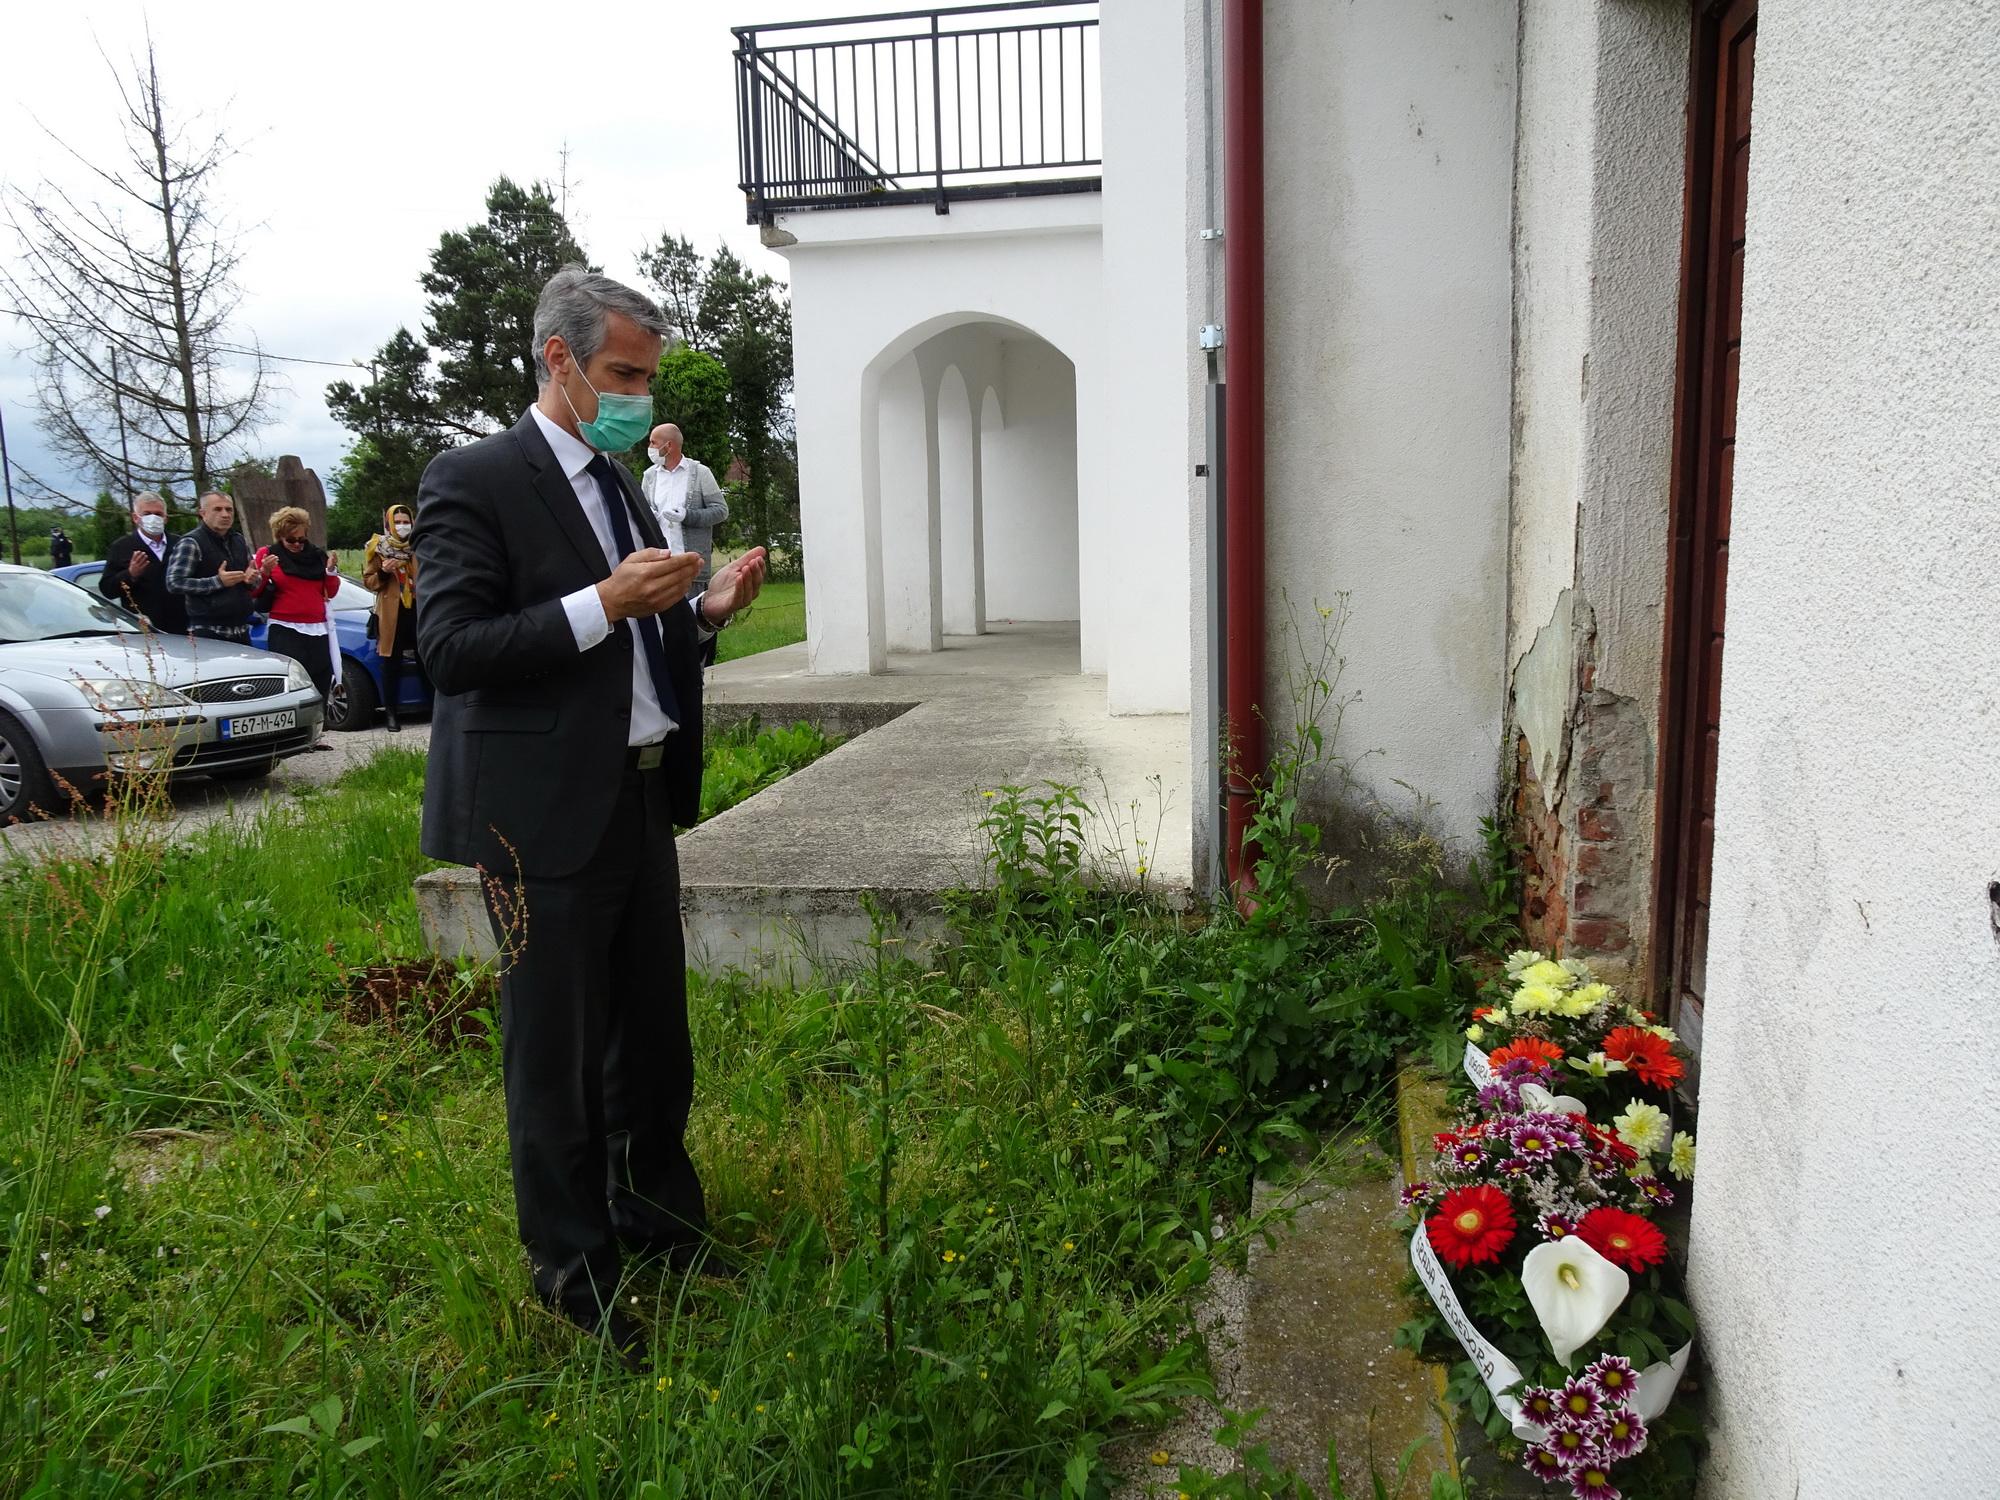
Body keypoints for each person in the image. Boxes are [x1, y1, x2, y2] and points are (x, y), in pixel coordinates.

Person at [415, 265, 767, 1367]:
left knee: (650, 1040)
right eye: (622, 372)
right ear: (558, 360)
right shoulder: (474, 478)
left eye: (647, 377)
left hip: (634, 796)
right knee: (555, 1058)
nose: (634, 394)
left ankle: (654, 1221)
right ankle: (574, 1276)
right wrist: (599, 602)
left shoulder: (615, 482)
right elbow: (453, 650)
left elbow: (633, 653)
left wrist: (699, 616)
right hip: (536, 816)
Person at [642, 425, 729, 668]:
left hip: (691, 564)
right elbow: (641, 513)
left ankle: (698, 672)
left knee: (696, 623)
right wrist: (648, 515)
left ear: (668, 446)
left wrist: (687, 515)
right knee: (664, 625)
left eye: (652, 442)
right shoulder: (650, 476)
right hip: (661, 564)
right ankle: (670, 674)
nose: (649, 448)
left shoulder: (699, 473)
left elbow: (721, 510)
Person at [251, 507, 342, 730]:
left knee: (320, 679)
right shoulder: (268, 554)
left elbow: (330, 591)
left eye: (302, 539)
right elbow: (254, 592)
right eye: (292, 540)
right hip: (285, 627)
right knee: (291, 681)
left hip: (317, 627)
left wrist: (330, 572)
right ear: (280, 535)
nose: (298, 545)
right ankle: (290, 732)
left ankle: (316, 732)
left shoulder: (317, 555)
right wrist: (264, 572)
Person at [167, 491, 269, 644]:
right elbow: (174, 582)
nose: (225, 514)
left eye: (229, 509)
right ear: (203, 513)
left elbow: (252, 583)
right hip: (209, 631)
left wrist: (252, 579)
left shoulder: (239, 540)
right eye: (218, 509)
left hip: (241, 629)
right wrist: (217, 582)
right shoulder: (191, 542)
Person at [362, 504, 424, 732]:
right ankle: (391, 714)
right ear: (389, 523)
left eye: (405, 521)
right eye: (397, 521)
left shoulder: (419, 545)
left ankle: (435, 709)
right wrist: (384, 571)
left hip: (418, 610)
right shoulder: (378, 547)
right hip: (392, 614)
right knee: (392, 664)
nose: (402, 525)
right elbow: (369, 581)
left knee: (426, 660)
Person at [98, 492, 188, 635]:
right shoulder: (122, 547)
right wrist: (130, 575)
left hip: (182, 628)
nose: (153, 518)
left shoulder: (180, 544)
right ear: (136, 518)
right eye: (147, 514)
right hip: (144, 631)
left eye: (158, 514)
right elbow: (107, 590)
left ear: (165, 518)